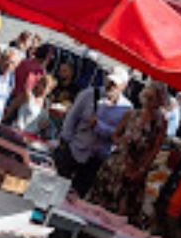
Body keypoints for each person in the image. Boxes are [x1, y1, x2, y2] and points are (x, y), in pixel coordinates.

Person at [90, 81, 169, 223]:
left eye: (153, 98)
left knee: (123, 205)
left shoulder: (160, 122)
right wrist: (122, 141)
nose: (149, 102)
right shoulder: (132, 113)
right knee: (102, 198)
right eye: (147, 97)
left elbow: (155, 149)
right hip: (118, 160)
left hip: (136, 165)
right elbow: (115, 135)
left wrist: (142, 169)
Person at [56, 67, 131, 195]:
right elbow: (72, 118)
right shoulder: (88, 94)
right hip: (75, 150)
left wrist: (100, 126)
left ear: (123, 86)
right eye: (109, 81)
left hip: (96, 159)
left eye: (115, 84)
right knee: (57, 187)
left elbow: (118, 135)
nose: (110, 86)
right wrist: (66, 143)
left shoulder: (126, 109)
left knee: (77, 195)